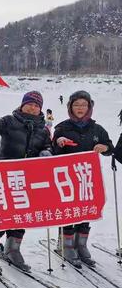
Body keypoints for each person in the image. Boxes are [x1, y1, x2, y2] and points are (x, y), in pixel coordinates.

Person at [0, 90, 52, 274]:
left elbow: (47, 145)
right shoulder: (10, 121)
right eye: (30, 104)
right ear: (22, 104)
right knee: (3, 213)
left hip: (28, 178)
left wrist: (47, 152)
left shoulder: (43, 129)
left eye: (36, 105)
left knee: (22, 212)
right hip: (6, 176)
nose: (33, 108)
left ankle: (13, 248)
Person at [53, 90, 113, 267]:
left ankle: (81, 243)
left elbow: (109, 147)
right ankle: (66, 244)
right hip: (67, 178)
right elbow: (52, 149)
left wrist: (105, 147)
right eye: (76, 105)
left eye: (83, 105)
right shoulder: (62, 127)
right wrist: (59, 142)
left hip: (88, 177)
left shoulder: (97, 129)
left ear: (89, 107)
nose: (80, 108)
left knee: (86, 208)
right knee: (69, 209)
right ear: (70, 107)